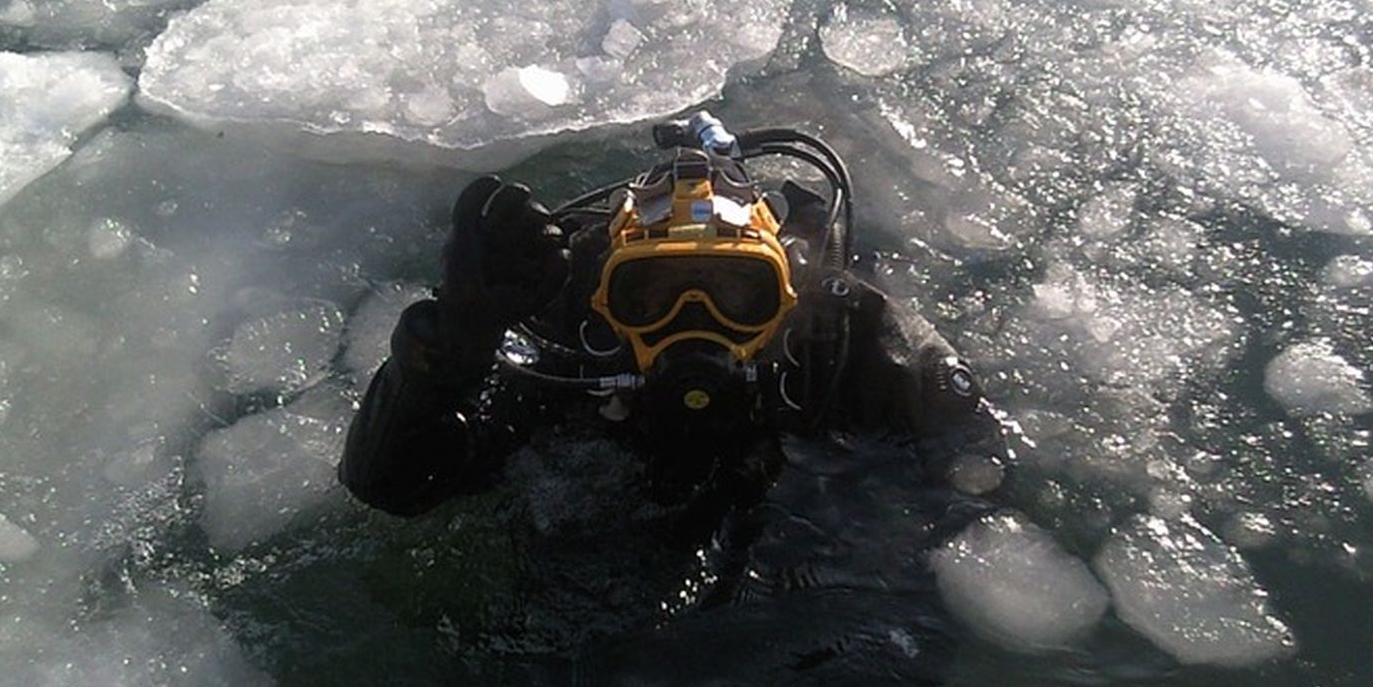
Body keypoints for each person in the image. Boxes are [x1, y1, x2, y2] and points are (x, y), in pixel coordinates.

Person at [342, 113, 1017, 544]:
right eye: (653, 294)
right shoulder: (574, 333)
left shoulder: (847, 339)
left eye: (735, 293)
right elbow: (391, 488)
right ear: (607, 296)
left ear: (785, 292)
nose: (694, 323)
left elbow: (974, 471)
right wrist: (455, 341)